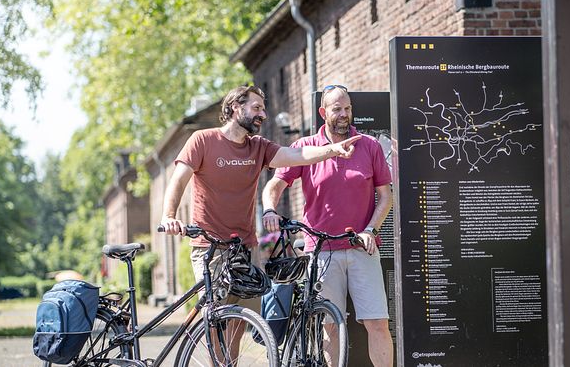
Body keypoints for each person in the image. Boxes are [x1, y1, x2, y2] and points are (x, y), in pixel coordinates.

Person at [159, 85, 361, 356]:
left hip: (244, 246)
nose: (262, 114)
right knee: (216, 317)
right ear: (235, 108)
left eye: (263, 109)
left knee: (239, 320)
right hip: (209, 246)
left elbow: (297, 156)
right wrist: (169, 216)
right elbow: (178, 180)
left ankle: (229, 362)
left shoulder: (259, 147)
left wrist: (332, 150)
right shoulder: (202, 140)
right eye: (256, 108)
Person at [262, 84, 394, 367]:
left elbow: (386, 196)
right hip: (321, 251)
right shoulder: (305, 148)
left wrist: (370, 229)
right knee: (329, 325)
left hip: (362, 249)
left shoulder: (368, 146)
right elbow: (275, 184)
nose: (344, 115)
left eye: (348, 109)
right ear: (323, 112)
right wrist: (269, 209)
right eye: (337, 109)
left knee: (378, 322)